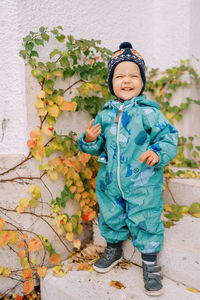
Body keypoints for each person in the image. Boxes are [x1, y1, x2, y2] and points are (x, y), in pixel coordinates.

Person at [78, 42, 178, 296]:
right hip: (111, 181)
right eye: (120, 76)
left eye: (134, 75)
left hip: (143, 181)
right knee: (111, 214)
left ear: (142, 81)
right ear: (111, 82)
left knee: (146, 217)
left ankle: (150, 261)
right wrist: (89, 140)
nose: (127, 81)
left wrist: (156, 153)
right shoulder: (106, 114)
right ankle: (114, 247)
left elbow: (169, 138)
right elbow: (98, 147)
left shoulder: (149, 113)